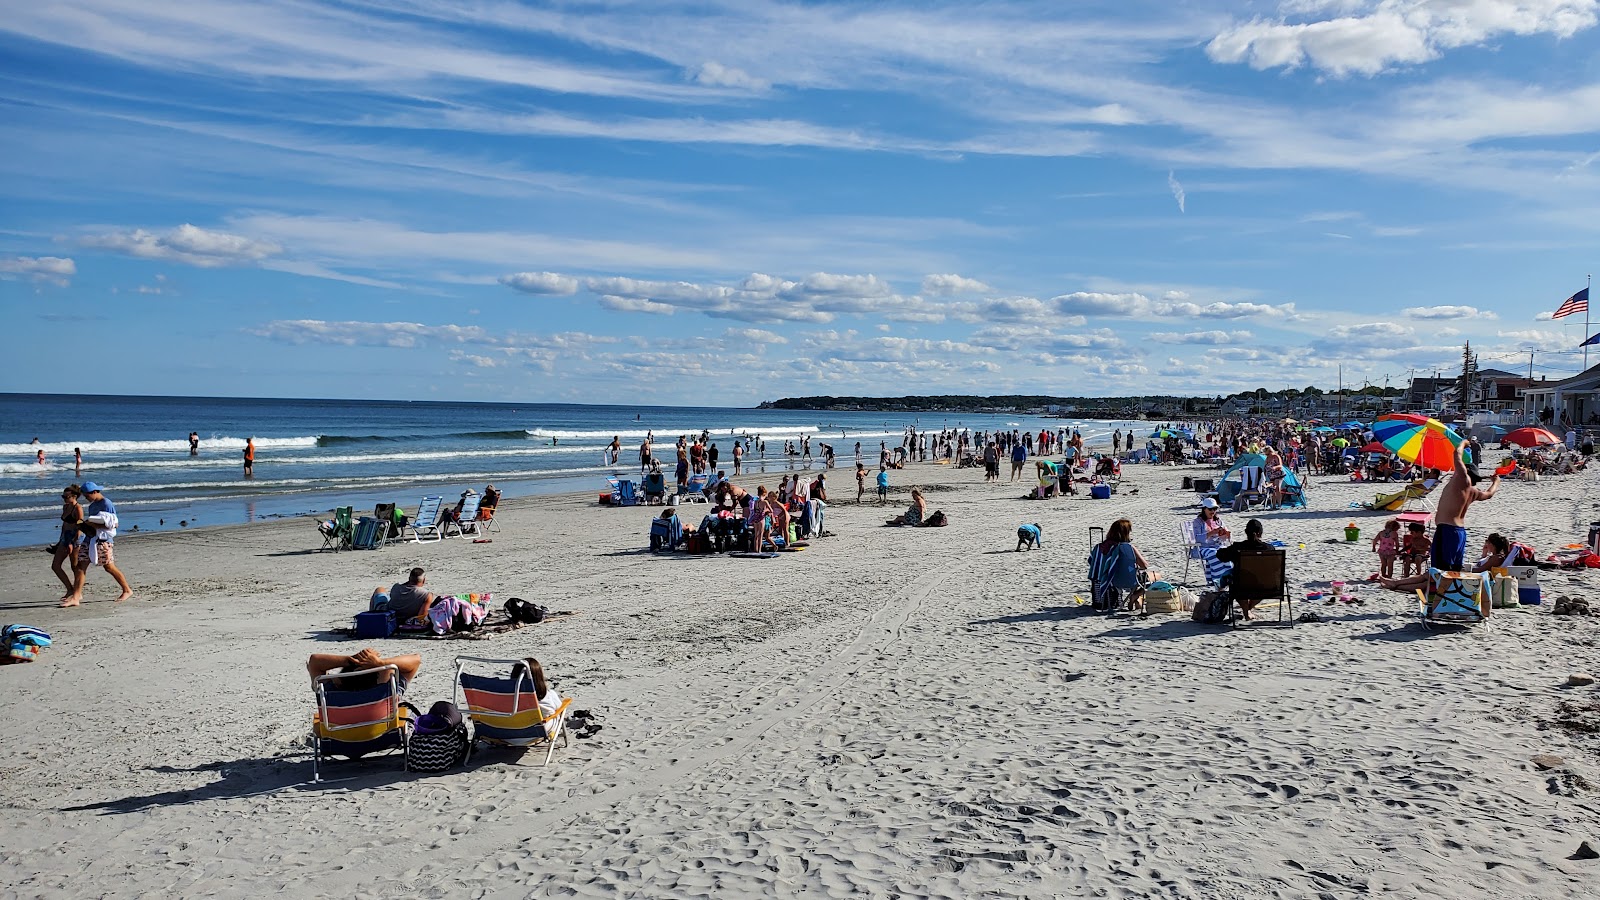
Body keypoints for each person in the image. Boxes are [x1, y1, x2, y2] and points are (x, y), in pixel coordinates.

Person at [1381, 443, 1500, 593]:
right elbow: (1489, 494)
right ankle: (1396, 584)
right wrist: (1496, 482)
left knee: (1441, 576)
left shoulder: (1463, 479)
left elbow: (1457, 455)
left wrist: (1463, 443)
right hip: (1457, 531)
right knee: (1441, 572)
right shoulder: (1473, 491)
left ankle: (1398, 586)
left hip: (1448, 531)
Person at [62, 481, 132, 606]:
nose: (86, 498)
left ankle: (127, 590)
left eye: (87, 496)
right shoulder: (92, 506)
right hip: (90, 538)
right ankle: (76, 597)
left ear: (94, 492)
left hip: (103, 541)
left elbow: (114, 523)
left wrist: (92, 523)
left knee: (109, 567)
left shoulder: (106, 503)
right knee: (80, 567)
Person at [1216, 518, 1274, 619]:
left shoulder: (1238, 547)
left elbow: (1221, 556)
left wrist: (1223, 546)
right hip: (1263, 586)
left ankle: (1246, 610)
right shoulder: (1269, 548)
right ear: (1260, 533)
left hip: (1241, 586)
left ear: (1246, 533)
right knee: (1264, 581)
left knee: (1235, 582)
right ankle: (1248, 610)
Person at [1092, 518, 1150, 612]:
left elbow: (1092, 562)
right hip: (1129, 580)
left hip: (1108, 581)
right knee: (1154, 577)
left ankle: (1136, 598)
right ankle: (1135, 595)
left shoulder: (1099, 547)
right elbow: (1145, 566)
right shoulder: (1128, 548)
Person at [308, 647, 421, 693]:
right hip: (382, 736)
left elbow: (314, 661)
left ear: (339, 678)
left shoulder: (331, 693)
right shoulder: (385, 692)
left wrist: (352, 660)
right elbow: (416, 659)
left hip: (339, 740)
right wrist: (381, 663)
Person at [1189, 498, 1233, 584]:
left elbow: (1224, 539)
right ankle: (1218, 580)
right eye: (1210, 509)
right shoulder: (1198, 522)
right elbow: (1196, 538)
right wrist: (1210, 533)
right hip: (1202, 547)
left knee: (1228, 553)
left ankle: (1228, 577)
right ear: (1204, 509)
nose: (1213, 511)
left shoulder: (1218, 521)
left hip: (1218, 545)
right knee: (1214, 554)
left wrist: (1226, 534)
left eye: (1215, 509)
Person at [51, 484, 84, 597]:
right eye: (63, 496)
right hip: (65, 537)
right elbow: (65, 524)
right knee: (55, 565)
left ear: (74, 497)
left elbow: (80, 526)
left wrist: (72, 542)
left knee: (75, 566)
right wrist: (61, 541)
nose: (64, 499)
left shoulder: (78, 508)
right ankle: (70, 589)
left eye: (66, 497)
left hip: (75, 538)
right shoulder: (65, 507)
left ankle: (77, 591)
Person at [373, 567, 437, 623]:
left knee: (380, 589)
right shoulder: (426, 595)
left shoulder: (396, 587)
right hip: (407, 620)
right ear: (424, 580)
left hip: (388, 615)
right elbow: (421, 617)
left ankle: (371, 616)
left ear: (409, 578)